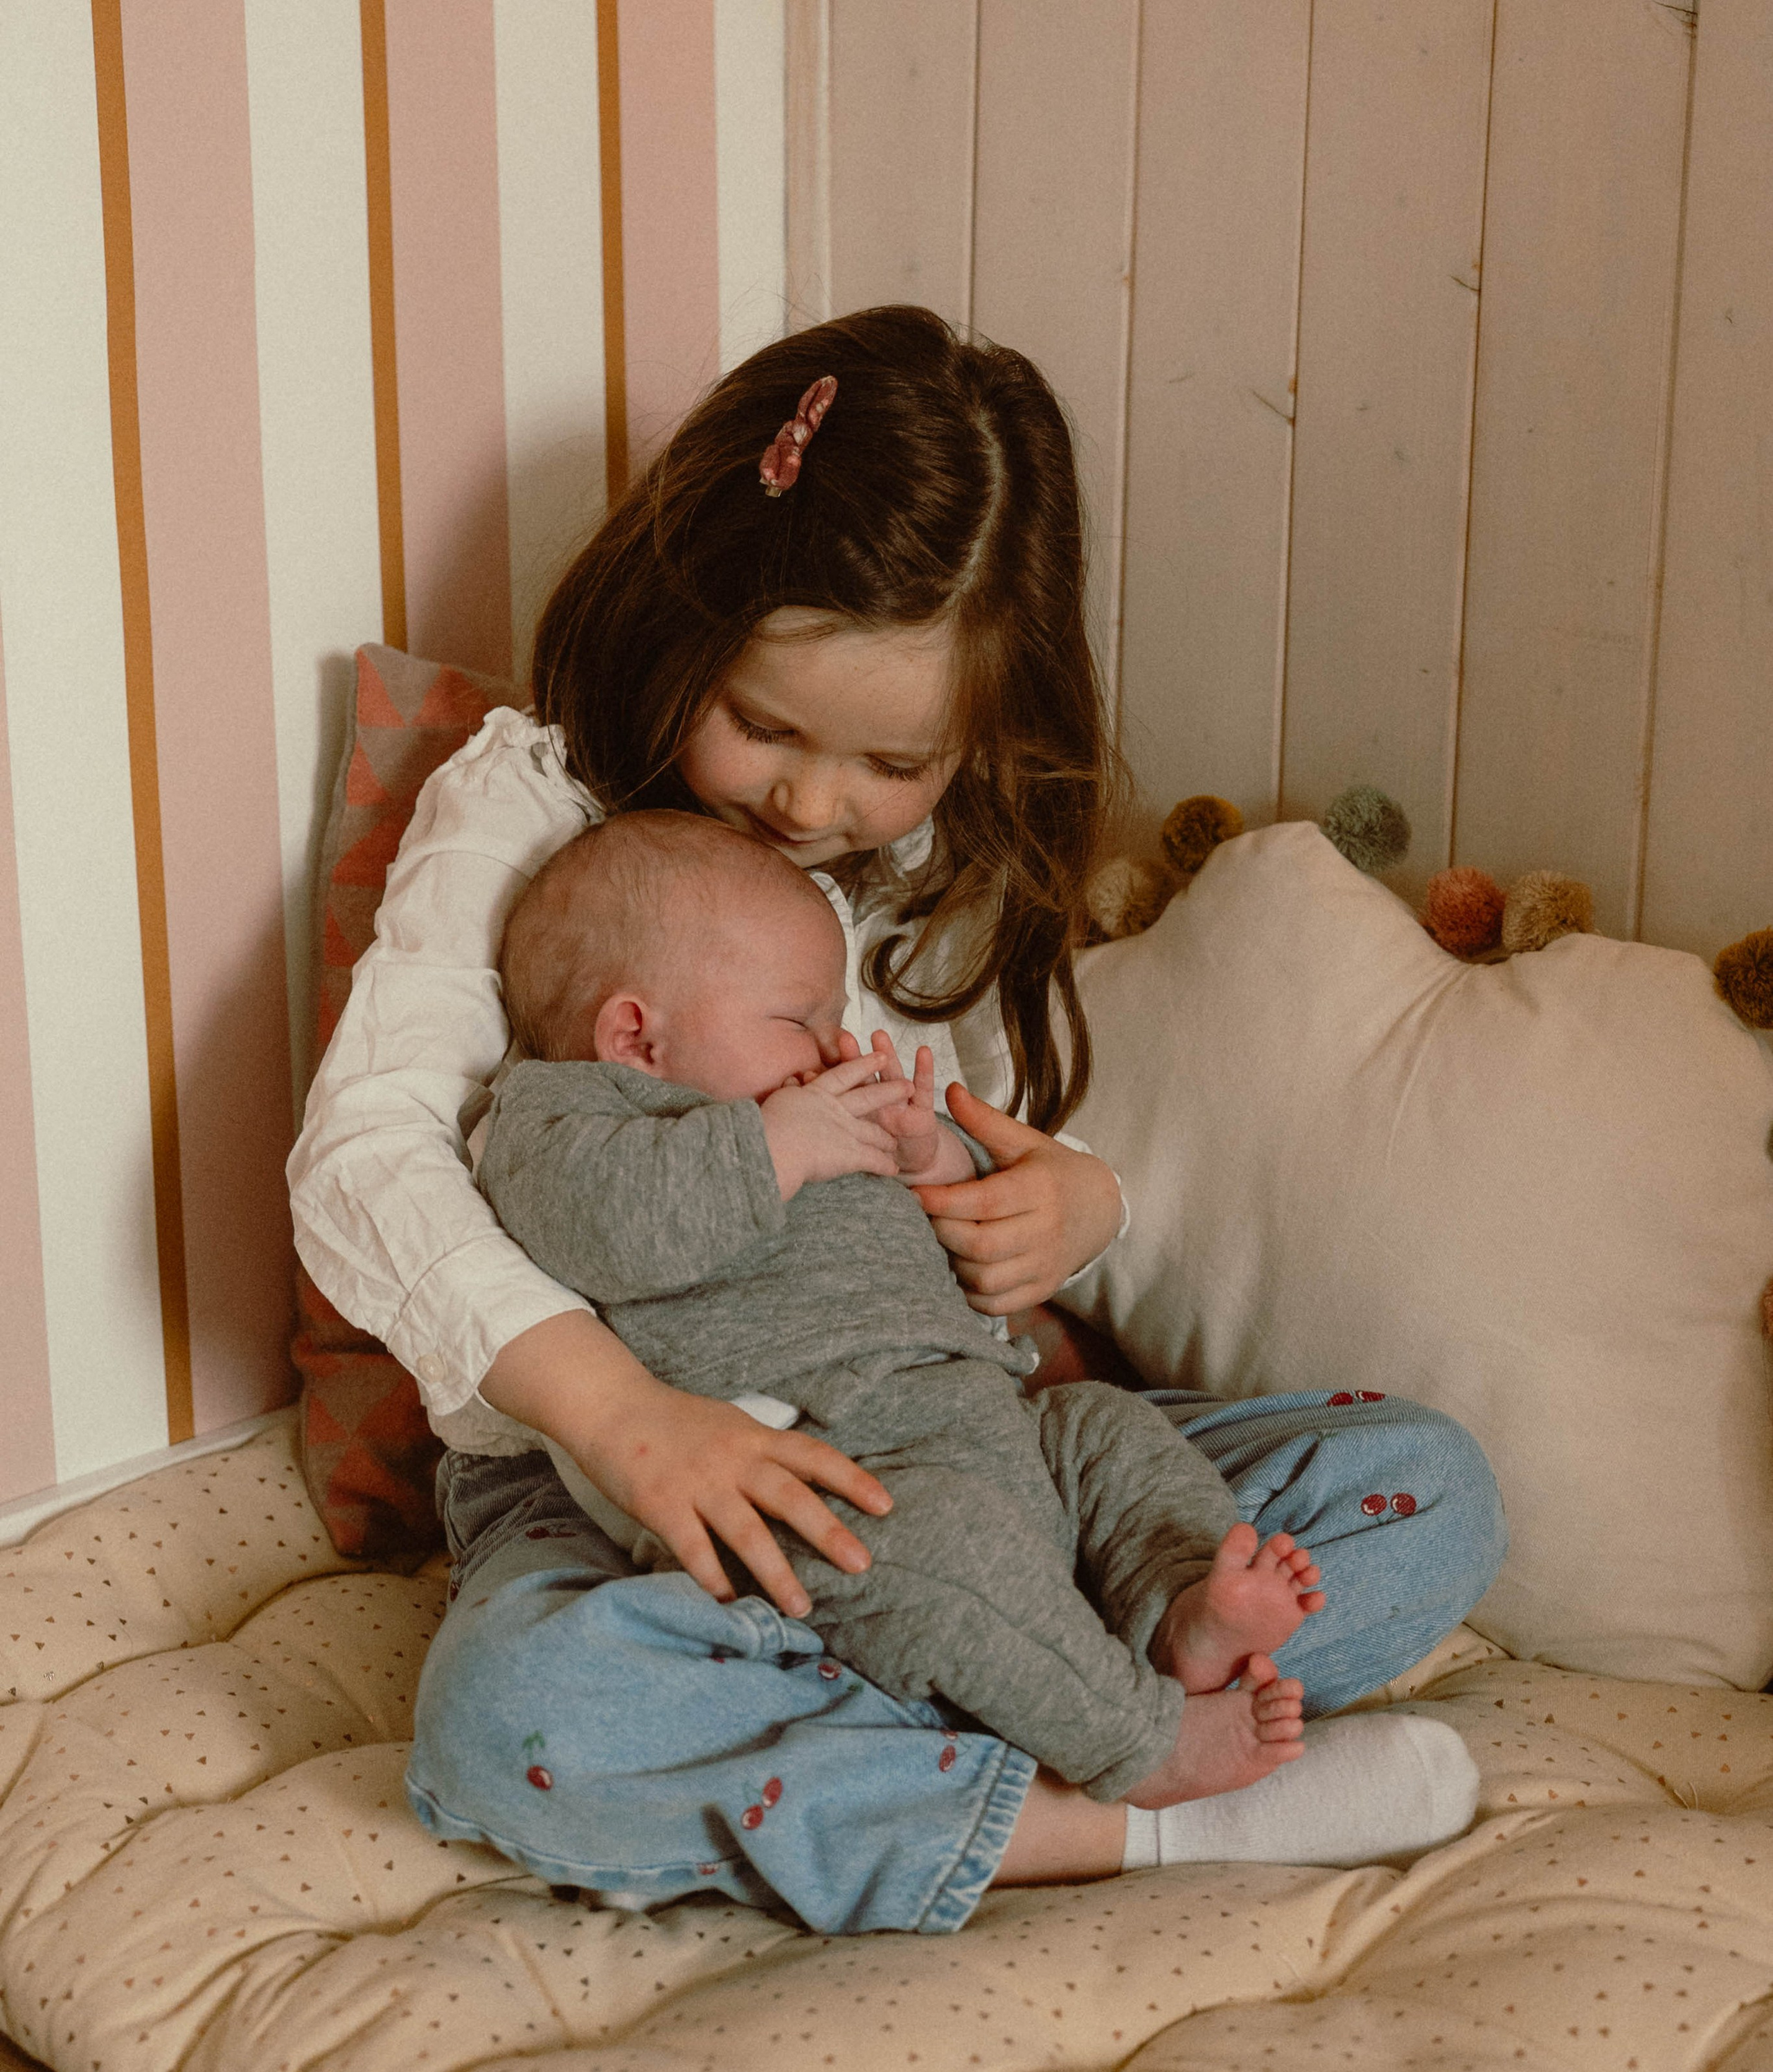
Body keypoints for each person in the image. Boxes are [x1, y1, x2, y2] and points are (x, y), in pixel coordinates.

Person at [289, 305, 1502, 1931]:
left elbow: (945, 1146)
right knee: (515, 1722)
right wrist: (633, 1424)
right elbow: (368, 1161)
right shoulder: (532, 812)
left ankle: (968, 1721)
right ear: (686, 617)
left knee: (1425, 1489)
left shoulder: (922, 873)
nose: (808, 805)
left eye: (887, 760)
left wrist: (1070, 1207)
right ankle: (1118, 1811)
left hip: (972, 1453)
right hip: (665, 1512)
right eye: (767, 727)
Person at [479, 808, 1320, 1810]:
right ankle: (1138, 1746)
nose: (835, 1044)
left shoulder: (809, 1097)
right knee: (945, 1558)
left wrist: (929, 1158)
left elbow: (948, 1230)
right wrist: (777, 1146)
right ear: (636, 1035)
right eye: (797, 1018)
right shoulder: (561, 1117)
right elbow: (615, 1232)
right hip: (840, 1474)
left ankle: (1179, 1615)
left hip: (995, 1421)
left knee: (1112, 1433)